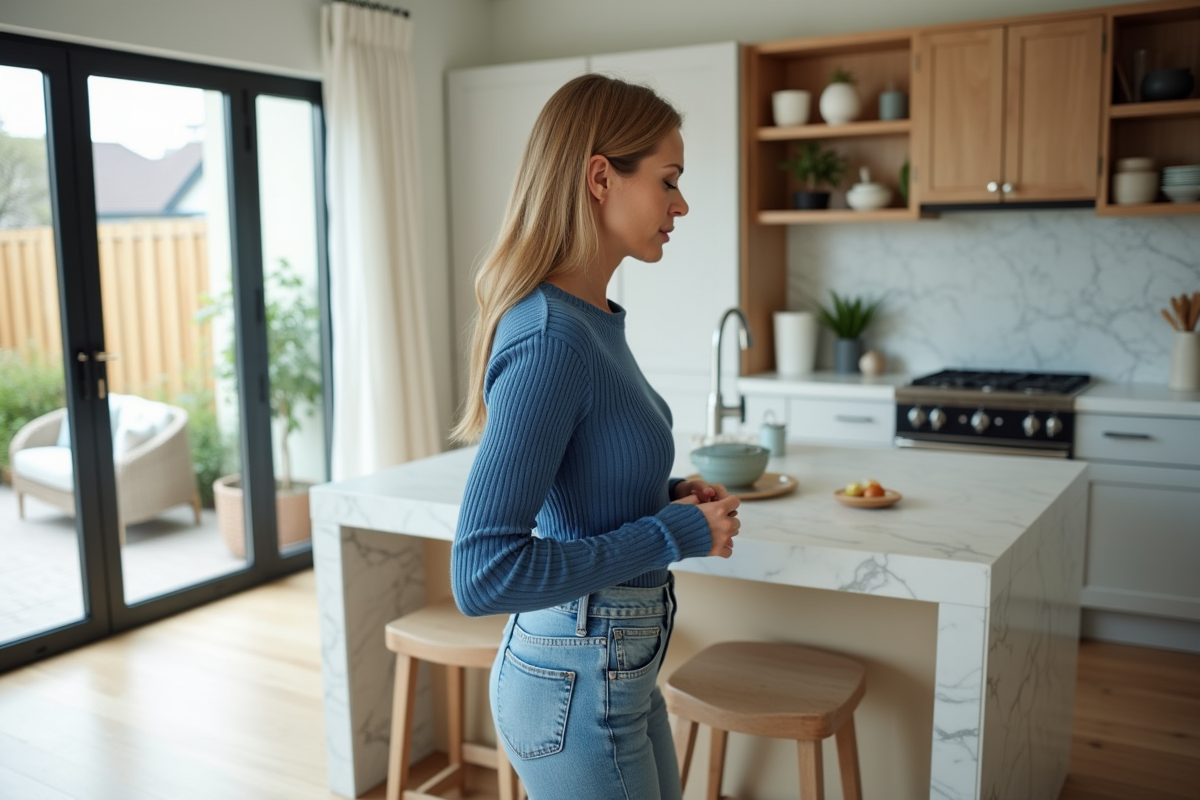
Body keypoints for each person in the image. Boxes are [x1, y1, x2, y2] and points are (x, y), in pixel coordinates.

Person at [450, 73, 741, 800]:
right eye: (668, 180)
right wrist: (670, 535)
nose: (681, 204)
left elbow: (580, 486)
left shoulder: (591, 319)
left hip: (613, 667)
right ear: (601, 178)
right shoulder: (554, 338)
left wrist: (669, 500)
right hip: (576, 679)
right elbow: (483, 573)